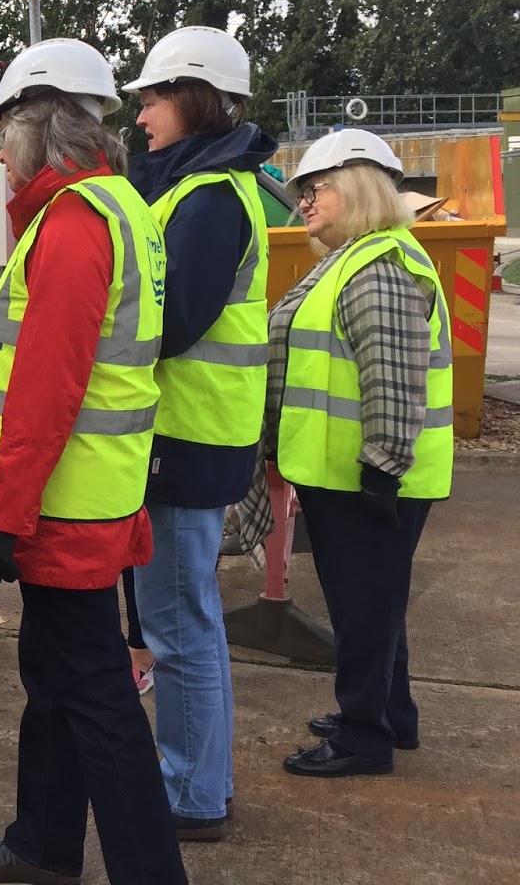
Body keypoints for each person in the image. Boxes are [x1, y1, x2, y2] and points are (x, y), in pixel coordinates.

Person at [0, 39, 188, 885]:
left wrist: (5, 516)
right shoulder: (121, 211)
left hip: (64, 514)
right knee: (52, 680)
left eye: (6, 128)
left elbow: (46, 392)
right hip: (87, 504)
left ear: (40, 126)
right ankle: (43, 845)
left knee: (97, 703)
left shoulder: (78, 224)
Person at [119, 26, 277, 841]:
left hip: (186, 439)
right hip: (198, 435)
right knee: (187, 620)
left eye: (152, 98)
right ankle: (196, 773)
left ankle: (190, 793)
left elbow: (170, 320)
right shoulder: (201, 185)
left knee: (179, 625)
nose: (141, 115)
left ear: (194, 98)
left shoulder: (210, 197)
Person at [267, 128, 453, 778]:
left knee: (363, 606)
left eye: (314, 190)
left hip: (368, 477)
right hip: (343, 472)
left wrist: (382, 467)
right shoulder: (357, 258)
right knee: (375, 601)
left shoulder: (381, 268)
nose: (304, 204)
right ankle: (390, 714)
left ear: (356, 187)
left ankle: (363, 735)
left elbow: (394, 378)